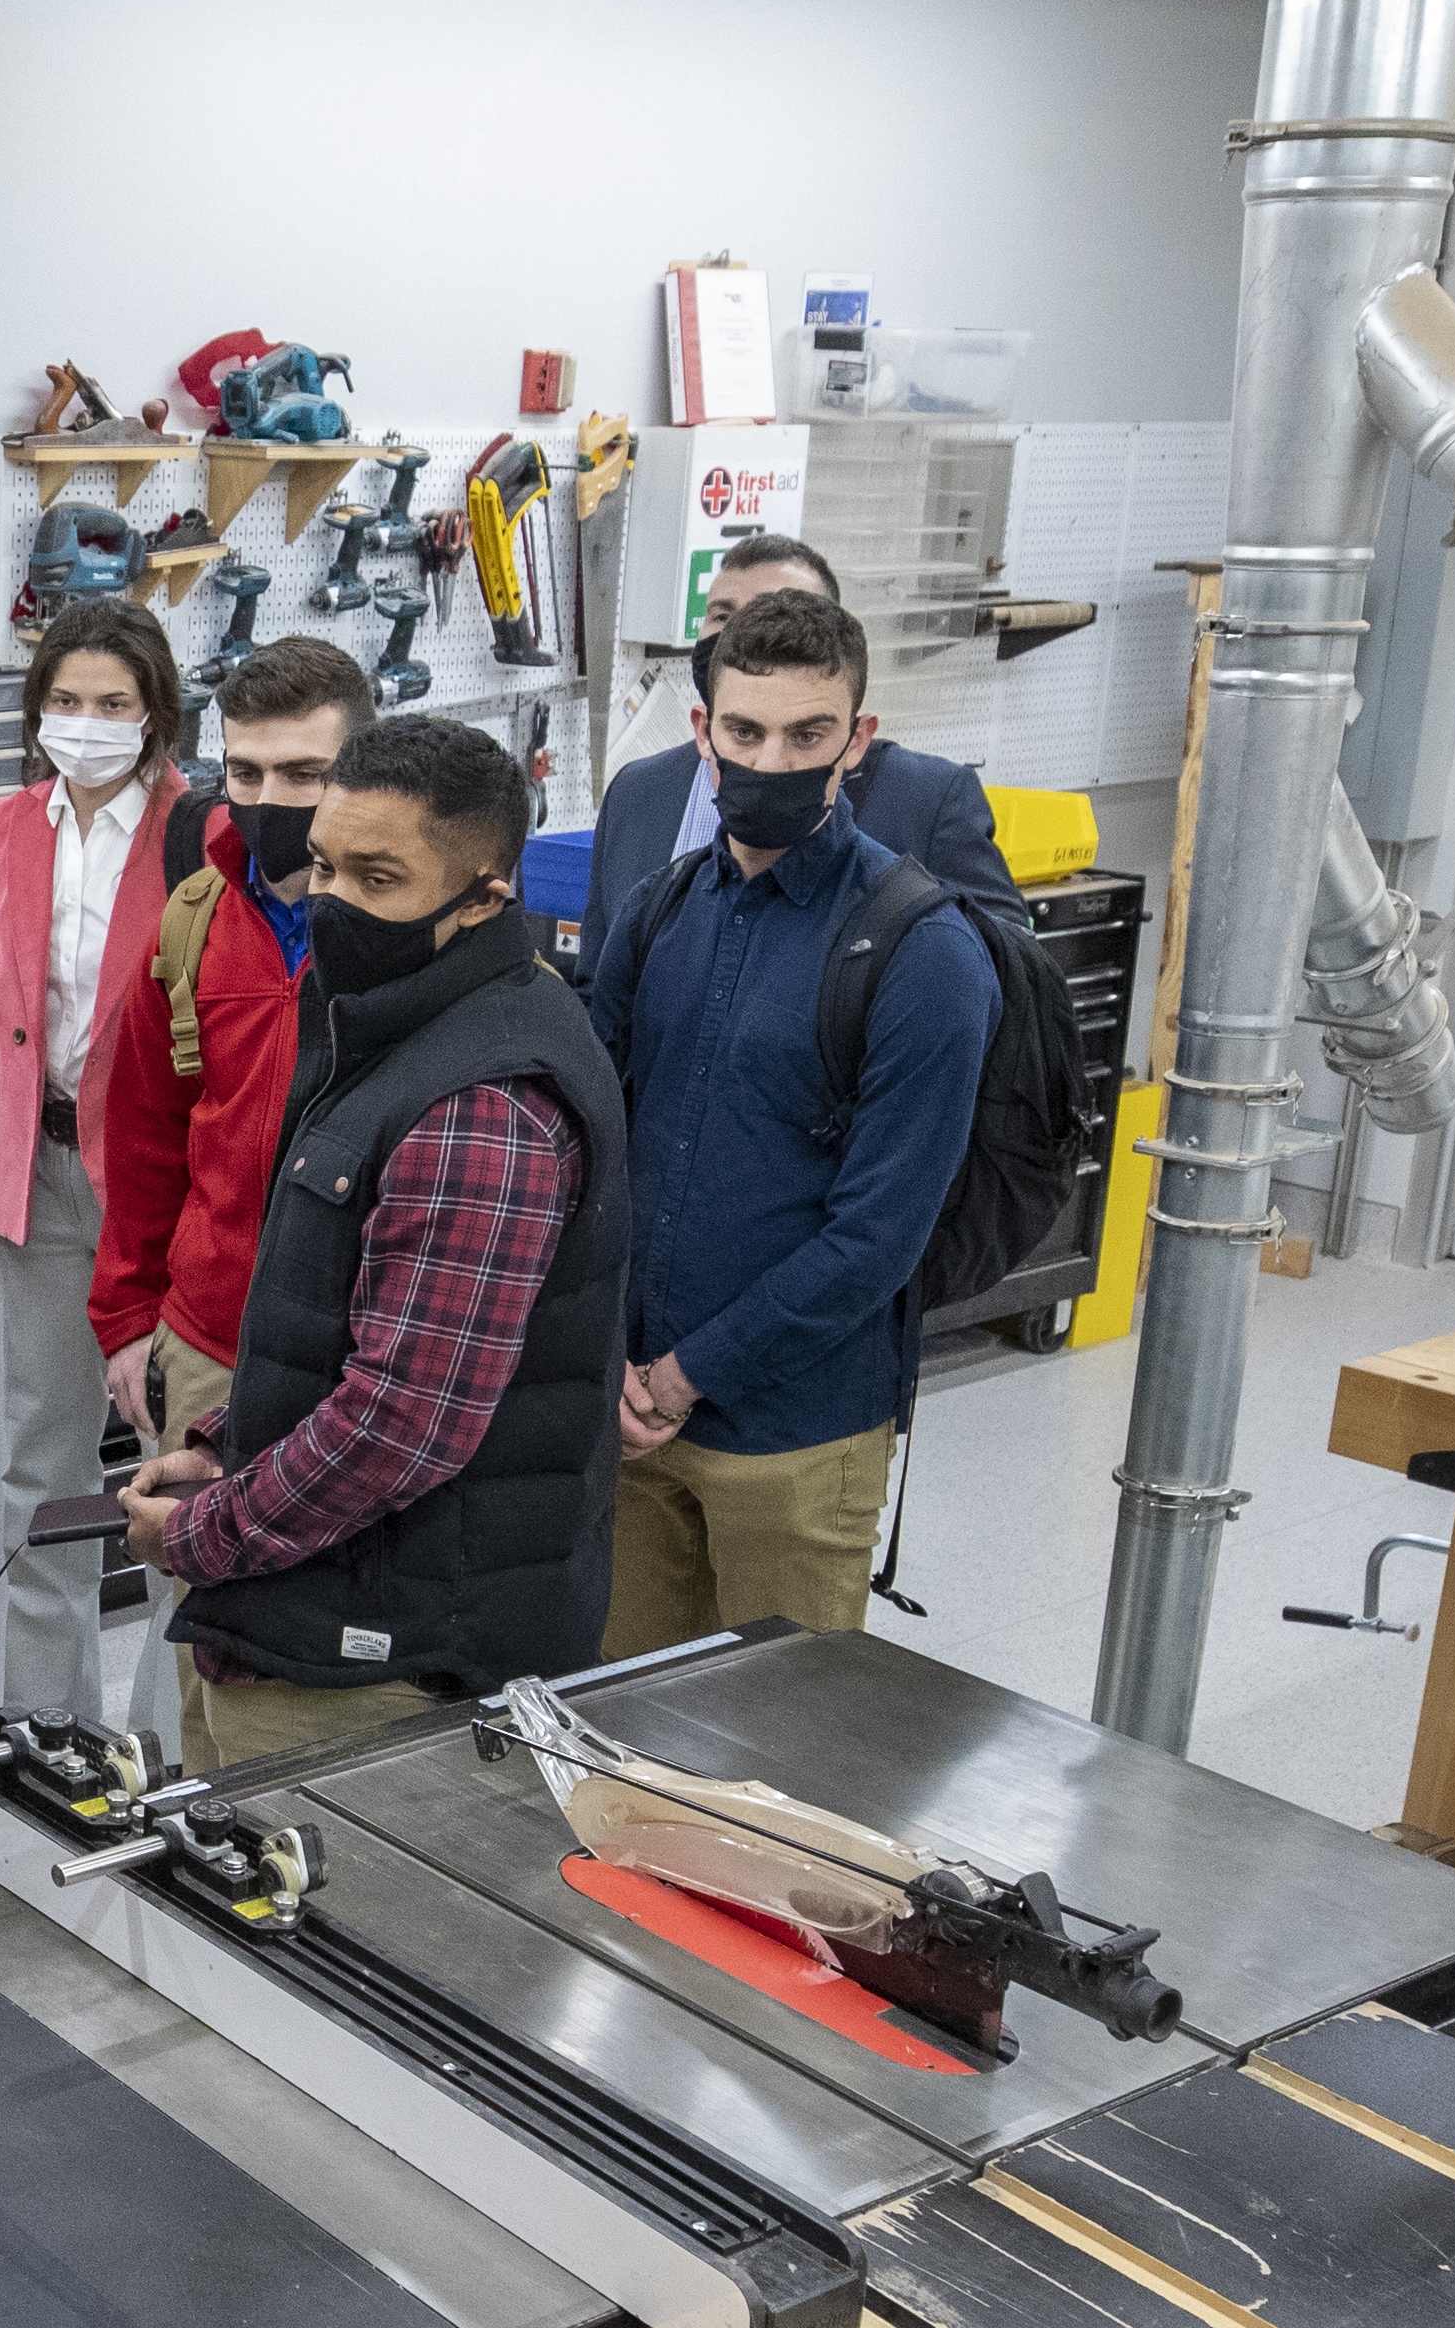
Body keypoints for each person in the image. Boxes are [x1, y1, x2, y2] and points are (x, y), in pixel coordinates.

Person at [119, 711, 633, 1770]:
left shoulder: (480, 1101)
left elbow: (401, 1422)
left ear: (486, 894)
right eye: (325, 864)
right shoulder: (400, 1017)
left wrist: (203, 1536)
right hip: (324, 1606)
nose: (336, 902)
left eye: (381, 878)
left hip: (379, 1663)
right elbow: (352, 1316)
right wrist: (230, 1442)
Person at [585, 587, 1003, 1655]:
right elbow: (591, 1141)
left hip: (795, 1441)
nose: (771, 761)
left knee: (775, 1777)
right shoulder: (662, 908)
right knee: (622, 1742)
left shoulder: (923, 953)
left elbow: (877, 1237)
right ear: (703, 734)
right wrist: (610, 1366)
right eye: (746, 731)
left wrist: (683, 1376)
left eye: (807, 733)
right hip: (629, 1425)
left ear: (857, 739)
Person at [0, 606, 183, 1723]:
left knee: (180, 1471)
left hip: (161, 1199)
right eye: (66, 702)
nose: (87, 724)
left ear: (156, 714)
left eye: (114, 704)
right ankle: (47, 1738)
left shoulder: (198, 832)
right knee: (41, 1467)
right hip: (38, 1178)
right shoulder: (6, 827)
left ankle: (172, 1752)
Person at [82, 634, 370, 1468]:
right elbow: (143, 1138)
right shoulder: (191, 924)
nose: (269, 799)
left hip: (361, 1356)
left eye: (304, 774)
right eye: (246, 773)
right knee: (193, 1589)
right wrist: (132, 1325)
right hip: (209, 1343)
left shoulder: (408, 935)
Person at [576, 534, 1011, 979]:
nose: (744, 635)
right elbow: (597, 981)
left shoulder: (924, 797)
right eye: (722, 615)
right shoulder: (638, 791)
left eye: (775, 614)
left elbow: (1004, 968)